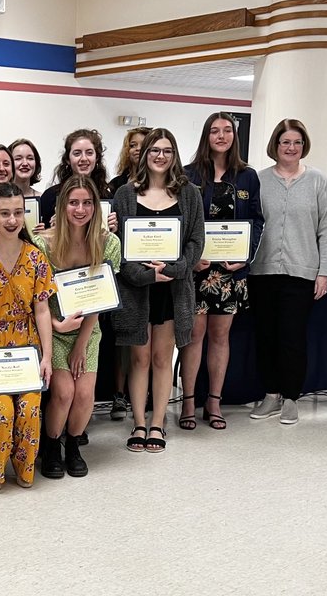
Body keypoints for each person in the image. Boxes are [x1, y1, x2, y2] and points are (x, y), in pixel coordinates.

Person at [112, 129, 205, 452]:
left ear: (174, 155)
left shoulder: (189, 193)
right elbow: (118, 246)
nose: (160, 156)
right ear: (144, 154)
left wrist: (175, 269)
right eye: (154, 150)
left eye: (167, 150)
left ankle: (157, 423)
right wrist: (144, 275)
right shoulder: (125, 193)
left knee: (162, 358)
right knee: (139, 358)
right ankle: (139, 422)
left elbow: (196, 240)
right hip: (138, 289)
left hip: (172, 290)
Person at [0, 183, 56, 490]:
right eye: (4, 213)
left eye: (18, 212)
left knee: (30, 409)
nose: (12, 220)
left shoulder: (35, 257)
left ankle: (24, 468)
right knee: (2, 410)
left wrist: (46, 357)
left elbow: (42, 310)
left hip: (27, 347)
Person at [249, 119, 327, 425]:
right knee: (266, 336)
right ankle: (270, 394)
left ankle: (290, 398)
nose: (291, 148)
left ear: (304, 146)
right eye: (285, 142)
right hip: (262, 272)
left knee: (293, 338)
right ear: (276, 145)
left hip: (301, 273)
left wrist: (325, 272)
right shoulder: (258, 180)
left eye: (297, 143)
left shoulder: (316, 181)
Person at [180, 112, 264, 431]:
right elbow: (182, 220)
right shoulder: (189, 174)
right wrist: (191, 258)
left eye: (227, 130)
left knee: (220, 336)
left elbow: (257, 220)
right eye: (215, 131)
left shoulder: (247, 175)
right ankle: (189, 400)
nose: (221, 135)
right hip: (198, 271)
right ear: (206, 136)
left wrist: (246, 256)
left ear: (234, 136)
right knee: (194, 335)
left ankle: (213, 401)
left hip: (232, 273)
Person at [32, 175, 120, 476]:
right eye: (73, 203)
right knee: (64, 392)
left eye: (86, 203)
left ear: (95, 206)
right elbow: (38, 300)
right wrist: (57, 326)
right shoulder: (43, 244)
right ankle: (52, 446)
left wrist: (81, 345)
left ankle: (73, 446)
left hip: (87, 330)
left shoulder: (108, 243)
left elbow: (100, 299)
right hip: (53, 329)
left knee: (84, 394)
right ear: (62, 205)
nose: (80, 209)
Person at [107, 125, 151, 420]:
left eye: (144, 145)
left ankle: (144, 394)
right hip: (125, 272)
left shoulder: (165, 187)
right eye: (133, 145)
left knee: (147, 346)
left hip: (157, 271)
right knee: (125, 340)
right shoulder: (118, 186)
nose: (139, 149)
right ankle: (119, 394)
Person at [38, 128, 115, 229]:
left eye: (89, 153)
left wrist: (114, 229)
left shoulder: (107, 197)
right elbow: (40, 236)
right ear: (68, 159)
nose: (84, 158)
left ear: (97, 158)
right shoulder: (50, 196)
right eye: (77, 153)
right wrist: (50, 229)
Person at [108, 126, 150, 194]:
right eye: (133, 145)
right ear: (127, 151)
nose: (138, 148)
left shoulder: (158, 183)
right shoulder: (115, 184)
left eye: (143, 145)